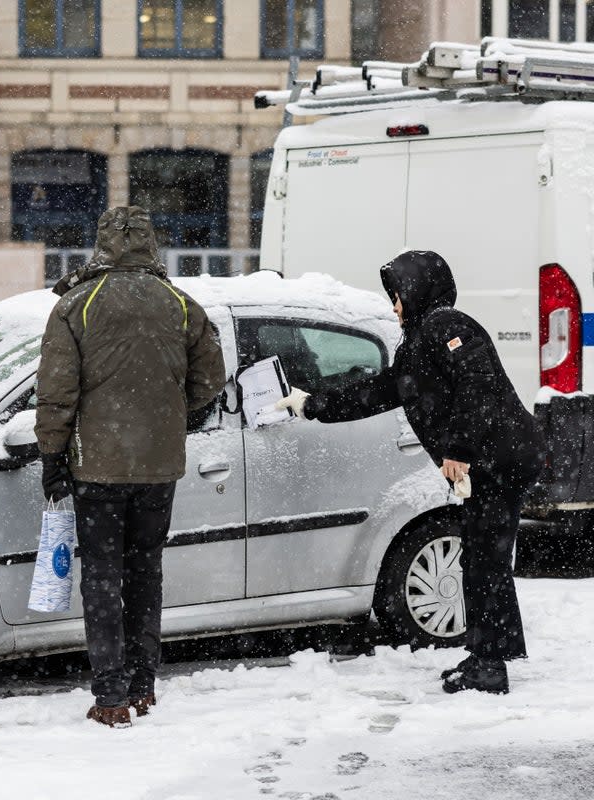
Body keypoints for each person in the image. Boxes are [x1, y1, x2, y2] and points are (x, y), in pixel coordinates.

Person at [275, 250, 544, 695]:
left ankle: (490, 665)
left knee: (484, 559)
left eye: (397, 296)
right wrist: (313, 405)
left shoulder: (448, 326)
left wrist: (458, 449)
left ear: (417, 290)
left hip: (501, 459)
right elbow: (380, 391)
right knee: (482, 557)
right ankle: (489, 656)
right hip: (492, 460)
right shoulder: (420, 340)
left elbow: (476, 384)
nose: (394, 306)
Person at [34, 206, 226, 727]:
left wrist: (53, 455)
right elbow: (211, 379)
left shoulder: (77, 304)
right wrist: (169, 416)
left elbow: (56, 392)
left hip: (96, 470)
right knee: (146, 571)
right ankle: (144, 685)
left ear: (102, 245)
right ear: (150, 243)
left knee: (101, 577)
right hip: (160, 468)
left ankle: (111, 694)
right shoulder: (181, 305)